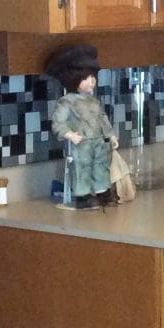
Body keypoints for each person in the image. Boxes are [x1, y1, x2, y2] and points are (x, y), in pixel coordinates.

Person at [44, 44, 118, 209]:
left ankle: (103, 192)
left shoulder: (93, 101)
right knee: (81, 168)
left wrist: (111, 135)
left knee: (101, 166)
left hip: (98, 141)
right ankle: (82, 196)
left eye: (93, 76)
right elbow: (58, 122)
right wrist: (69, 134)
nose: (92, 81)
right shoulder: (67, 102)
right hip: (81, 142)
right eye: (87, 77)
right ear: (73, 79)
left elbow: (102, 118)